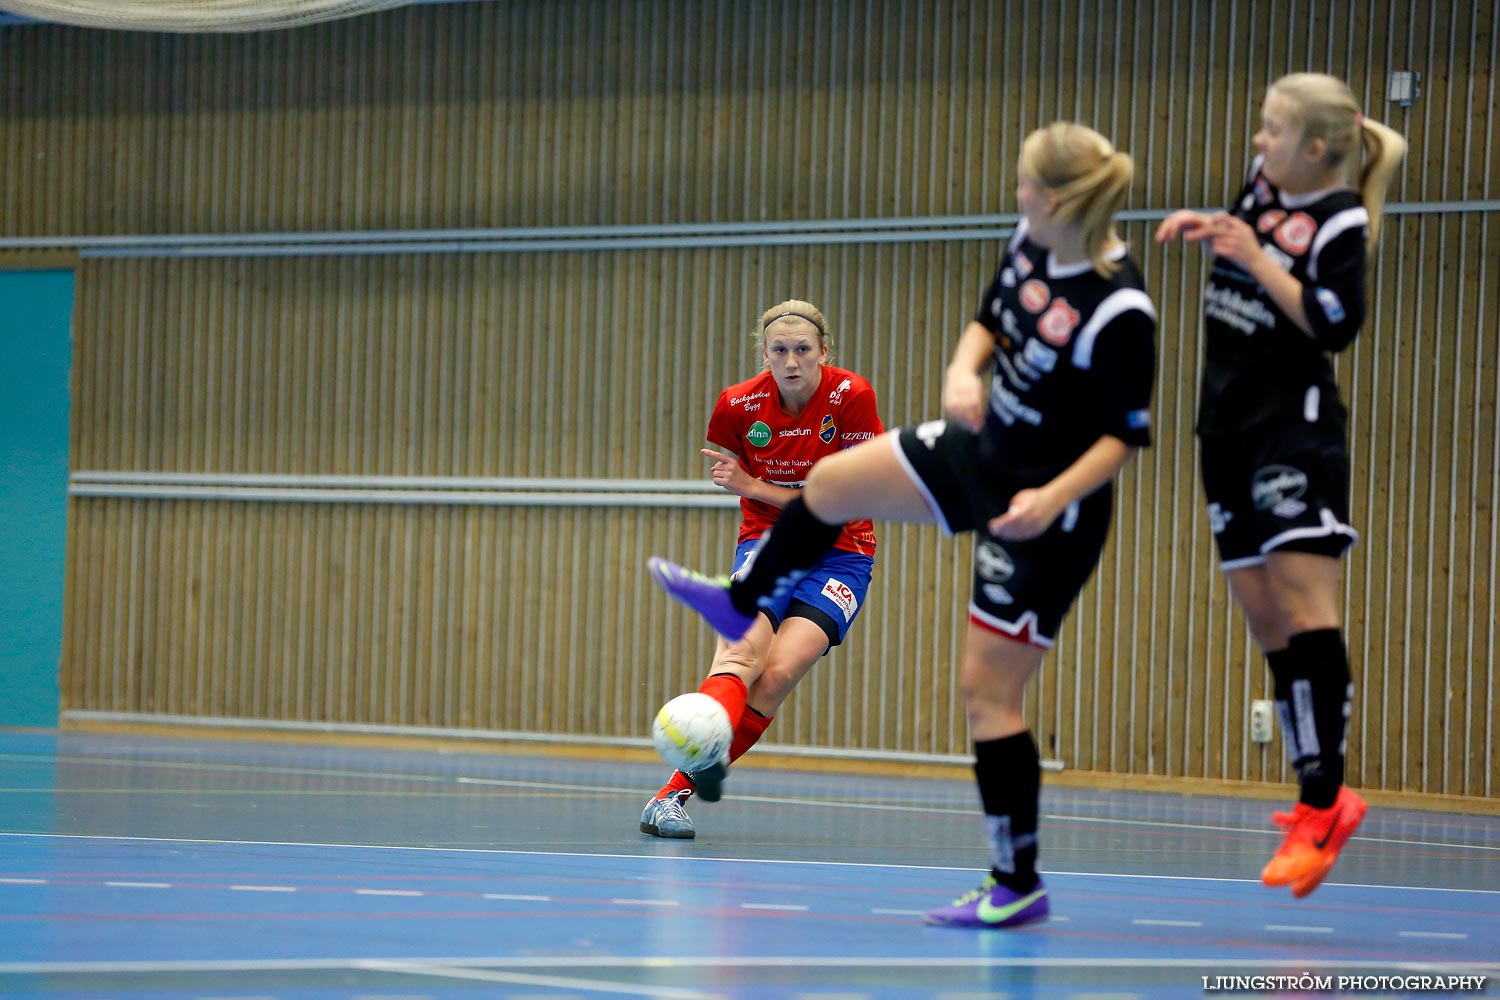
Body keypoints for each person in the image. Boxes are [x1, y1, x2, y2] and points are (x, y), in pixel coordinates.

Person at [649, 122, 1156, 928]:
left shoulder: (1121, 304)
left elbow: (1124, 437)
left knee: (986, 691)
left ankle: (1014, 880)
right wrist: (963, 371)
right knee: (837, 480)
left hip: (1050, 497)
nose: (1018, 199)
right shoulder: (1030, 243)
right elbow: (989, 319)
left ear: (1056, 198)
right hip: (984, 447)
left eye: (1026, 186)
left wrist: (1053, 497)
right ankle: (740, 595)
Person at [1156, 72, 1406, 899]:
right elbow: (1375, 144)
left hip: (1291, 428)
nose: (1257, 143)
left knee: (1305, 609)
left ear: (1318, 149)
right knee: (1264, 615)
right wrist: (1215, 229)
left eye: (1272, 130)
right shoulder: (1268, 184)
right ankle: (1317, 787)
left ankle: (1322, 801)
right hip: (1222, 423)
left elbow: (1335, 322)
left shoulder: (1340, 218)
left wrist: (1252, 256)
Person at [639, 299, 884, 840]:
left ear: (824, 352)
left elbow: (836, 499)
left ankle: (670, 791)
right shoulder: (737, 405)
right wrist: (756, 496)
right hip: (768, 542)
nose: (792, 361)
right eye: (780, 351)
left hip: (843, 549)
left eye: (803, 350)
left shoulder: (852, 396)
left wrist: (751, 486)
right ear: (764, 355)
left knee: (775, 677)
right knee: (742, 655)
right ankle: (682, 787)